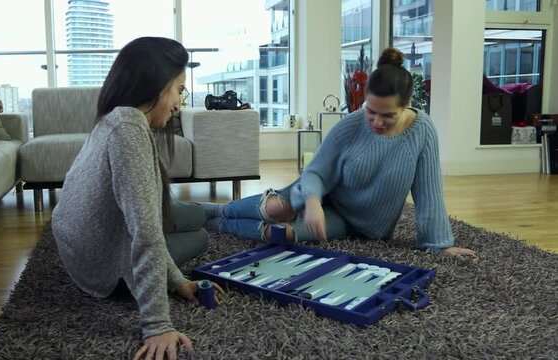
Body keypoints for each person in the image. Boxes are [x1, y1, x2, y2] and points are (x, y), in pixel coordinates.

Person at [201, 47, 477, 259]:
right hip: (321, 196)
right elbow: (316, 171)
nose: (376, 122)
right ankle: (217, 210)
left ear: (407, 106)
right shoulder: (352, 124)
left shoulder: (423, 130)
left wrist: (439, 244)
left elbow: (428, 192)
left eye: (387, 116)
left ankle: (219, 224)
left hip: (362, 224)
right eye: (370, 111)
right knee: (275, 209)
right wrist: (312, 202)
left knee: (282, 234)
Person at [51, 37, 224, 360]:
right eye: (178, 89)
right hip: (103, 267)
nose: (178, 101)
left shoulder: (115, 117)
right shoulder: (128, 130)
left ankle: (225, 212)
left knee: (193, 217)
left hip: (81, 249)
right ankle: (240, 213)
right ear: (156, 86)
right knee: (198, 235)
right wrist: (159, 322)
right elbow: (145, 233)